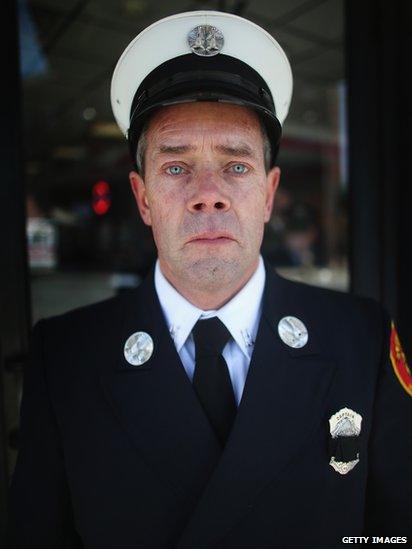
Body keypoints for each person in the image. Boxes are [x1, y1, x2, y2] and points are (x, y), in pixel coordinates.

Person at [6, 10, 412, 549]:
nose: (208, 193)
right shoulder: (65, 357)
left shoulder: (360, 340)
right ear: (143, 197)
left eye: (236, 165)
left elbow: (396, 535)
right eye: (176, 167)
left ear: (268, 195)